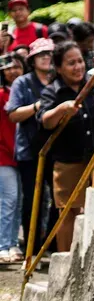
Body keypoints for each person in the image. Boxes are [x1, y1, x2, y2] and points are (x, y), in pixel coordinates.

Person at [37, 41, 94, 252]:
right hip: (68, 157)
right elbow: (45, 121)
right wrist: (61, 109)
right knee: (68, 210)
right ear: (59, 68)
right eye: (71, 63)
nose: (78, 67)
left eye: (80, 61)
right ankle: (65, 259)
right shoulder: (52, 91)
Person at [5, 37, 55, 251]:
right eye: (41, 55)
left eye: (50, 54)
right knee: (32, 200)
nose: (46, 58)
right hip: (30, 150)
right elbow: (13, 114)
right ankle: (31, 247)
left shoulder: (59, 80)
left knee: (58, 199)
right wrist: (37, 106)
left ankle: (52, 244)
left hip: (57, 149)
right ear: (32, 60)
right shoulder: (22, 82)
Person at [0, 54, 24, 264]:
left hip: (21, 155)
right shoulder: (1, 95)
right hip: (3, 155)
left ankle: (13, 242)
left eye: (17, 66)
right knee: (9, 200)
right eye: (8, 68)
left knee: (17, 202)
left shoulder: (27, 93)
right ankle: (3, 245)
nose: (13, 71)